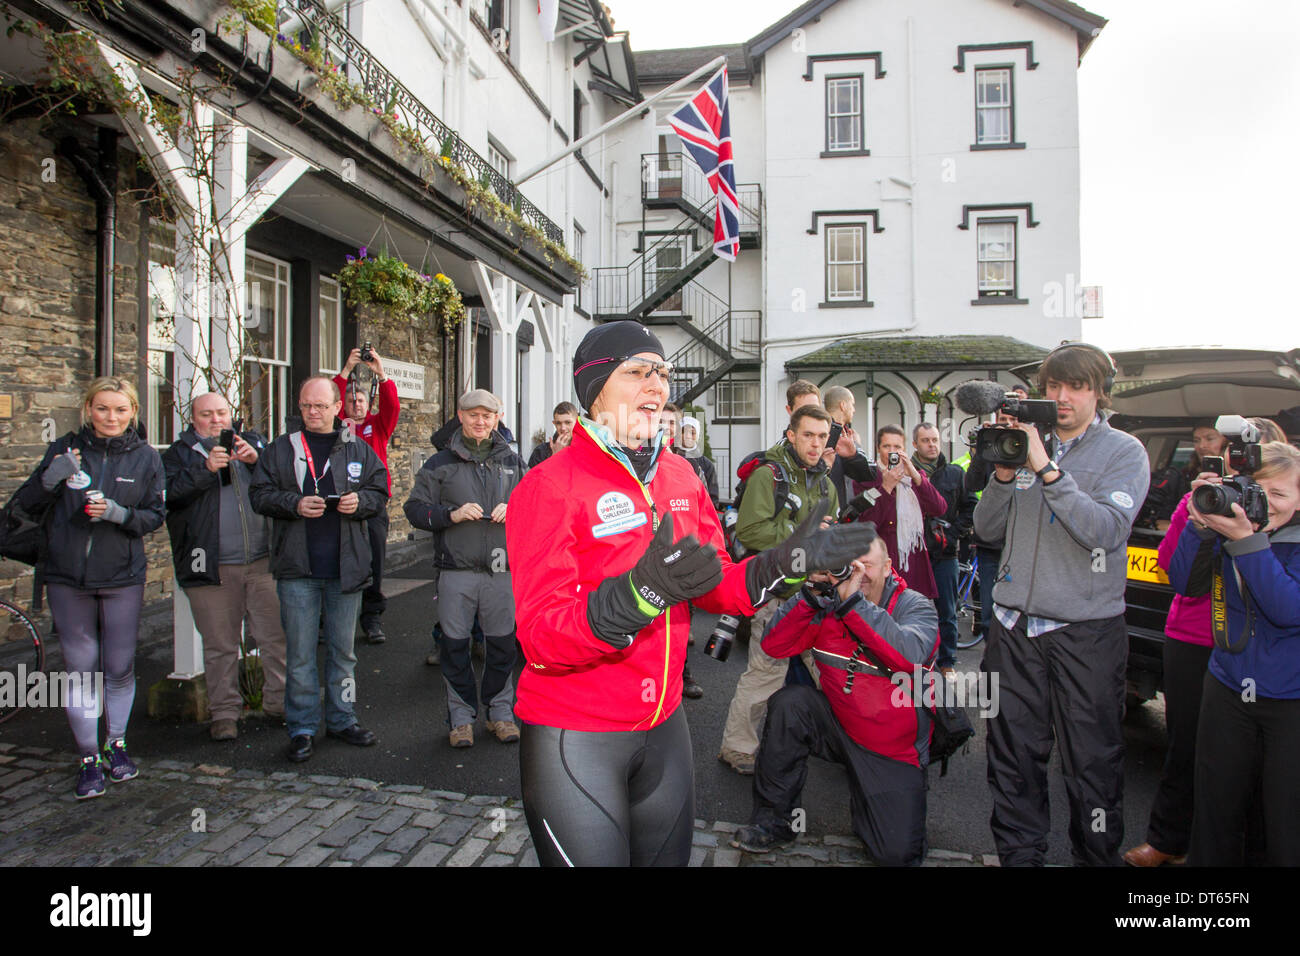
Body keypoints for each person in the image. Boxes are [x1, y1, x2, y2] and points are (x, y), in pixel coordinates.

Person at [505, 321, 873, 866]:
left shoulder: (679, 476)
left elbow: (716, 585)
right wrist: (639, 596)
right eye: (637, 372)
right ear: (595, 388)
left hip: (665, 723)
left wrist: (787, 563)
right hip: (575, 732)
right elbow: (540, 637)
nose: (657, 385)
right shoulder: (549, 485)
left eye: (663, 373)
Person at [973, 342, 1149, 866]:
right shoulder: (1022, 445)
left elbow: (1104, 532)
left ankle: (1094, 858)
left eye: (1076, 386)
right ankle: (1020, 857)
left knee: (1091, 762)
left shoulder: (1124, 451)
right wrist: (1005, 475)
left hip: (1083, 633)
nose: (1062, 396)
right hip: (1012, 627)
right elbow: (985, 529)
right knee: (1012, 758)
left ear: (1099, 391)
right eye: (1053, 386)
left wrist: (1047, 468)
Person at [731, 534, 939, 864]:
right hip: (839, 724)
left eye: (867, 565)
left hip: (891, 747)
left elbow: (911, 657)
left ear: (888, 567)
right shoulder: (826, 603)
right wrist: (810, 595)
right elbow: (774, 646)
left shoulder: (915, 605)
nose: (860, 573)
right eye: (852, 565)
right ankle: (775, 822)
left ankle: (880, 808)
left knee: (896, 854)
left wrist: (855, 605)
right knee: (790, 704)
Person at [14, 377, 164, 798]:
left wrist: (119, 513)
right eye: (102, 408)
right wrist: (49, 479)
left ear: (133, 411)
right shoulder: (64, 450)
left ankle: (116, 744)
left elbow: (154, 515)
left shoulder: (146, 457)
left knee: (118, 667)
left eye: (120, 409)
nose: (111, 417)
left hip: (121, 577)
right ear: (88, 409)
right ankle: (86, 757)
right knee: (80, 669)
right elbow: (25, 505)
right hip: (67, 576)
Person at [1168, 440, 1300, 865]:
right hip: (1226, 686)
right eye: (1256, 490)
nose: (1265, 503)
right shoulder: (1230, 527)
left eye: (1279, 494)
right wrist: (1200, 528)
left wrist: (1246, 541)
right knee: (1214, 813)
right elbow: (1186, 583)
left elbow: (1286, 611)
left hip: (1290, 699)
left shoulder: (1266, 538)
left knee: (1283, 821)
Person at [249, 375, 390, 763]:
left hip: (346, 569)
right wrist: (293, 504)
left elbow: (380, 492)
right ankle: (302, 727)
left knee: (344, 654)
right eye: (307, 406)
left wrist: (359, 502)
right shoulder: (280, 449)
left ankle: (343, 718)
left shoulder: (358, 449)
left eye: (321, 406)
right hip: (297, 568)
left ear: (336, 408)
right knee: (299, 654)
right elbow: (259, 495)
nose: (313, 413)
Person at [718, 403, 839, 775]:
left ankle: (850, 745)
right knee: (764, 674)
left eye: (822, 436)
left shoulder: (826, 483)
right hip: (775, 595)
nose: (816, 444)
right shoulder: (769, 476)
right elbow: (751, 531)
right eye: (808, 435)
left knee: (833, 675)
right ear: (791, 435)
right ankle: (738, 749)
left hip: (816, 597)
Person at [405, 389, 526, 748]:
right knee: (455, 647)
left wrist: (516, 510)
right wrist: (450, 515)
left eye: (487, 416)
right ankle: (460, 720)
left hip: (502, 573)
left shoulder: (515, 463)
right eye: (473, 414)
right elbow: (414, 510)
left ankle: (500, 714)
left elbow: (540, 508)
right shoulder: (440, 463)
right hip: (455, 571)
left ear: (496, 418)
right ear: (460, 416)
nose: (480, 421)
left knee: (503, 647)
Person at [161, 392, 285, 740]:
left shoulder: (255, 443)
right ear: (193, 419)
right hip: (210, 567)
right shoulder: (180, 454)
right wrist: (205, 470)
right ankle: (224, 714)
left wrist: (256, 461)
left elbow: (283, 484)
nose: (216, 420)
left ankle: (278, 704)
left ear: (232, 415)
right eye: (206, 415)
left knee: (276, 638)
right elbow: (168, 497)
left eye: (221, 413)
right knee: (220, 646)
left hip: (262, 562)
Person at [332, 347, 400, 644]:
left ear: (367, 402)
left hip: (372, 505)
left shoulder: (377, 426)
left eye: (360, 400)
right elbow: (326, 403)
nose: (356, 404)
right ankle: (328, 620)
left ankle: (371, 618)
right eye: (350, 400)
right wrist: (346, 370)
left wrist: (381, 373)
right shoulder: (335, 428)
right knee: (334, 560)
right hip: (339, 506)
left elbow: (392, 406)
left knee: (375, 562)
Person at [850, 425, 948, 599]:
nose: (892, 452)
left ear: (905, 449)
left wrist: (917, 478)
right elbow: (869, 522)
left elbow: (939, 508)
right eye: (887, 446)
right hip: (883, 560)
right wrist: (886, 487)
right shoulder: (868, 479)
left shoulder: (914, 478)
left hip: (913, 562)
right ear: (878, 448)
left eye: (897, 447)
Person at [912, 422, 976, 679]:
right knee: (913, 609)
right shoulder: (907, 472)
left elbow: (971, 507)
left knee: (947, 611)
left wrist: (951, 536)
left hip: (945, 554)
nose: (932, 445)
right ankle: (916, 661)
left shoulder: (955, 473)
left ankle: (947, 661)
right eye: (926, 440)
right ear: (915, 444)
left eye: (935, 439)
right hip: (915, 553)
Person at [963, 388, 1028, 640]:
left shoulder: (1035, 448)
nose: (1009, 427)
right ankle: (994, 666)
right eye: (1004, 421)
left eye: (1014, 421)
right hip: (991, 544)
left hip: (1023, 543)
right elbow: (972, 484)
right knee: (991, 614)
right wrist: (983, 448)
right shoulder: (993, 447)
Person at [821, 385, 878, 510]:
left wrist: (854, 455)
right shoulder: (820, 434)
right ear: (843, 405)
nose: (854, 410)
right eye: (852, 404)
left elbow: (870, 475)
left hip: (840, 511)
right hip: (824, 512)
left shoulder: (847, 435)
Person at [679, 414, 720, 512]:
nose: (687, 436)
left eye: (692, 432)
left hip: (699, 514)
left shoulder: (706, 464)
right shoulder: (670, 457)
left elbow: (712, 497)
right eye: (684, 431)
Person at [528, 401, 578, 468]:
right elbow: (534, 477)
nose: (563, 428)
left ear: (577, 422)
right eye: (558, 423)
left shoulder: (586, 449)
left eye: (568, 422)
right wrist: (555, 456)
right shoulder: (540, 452)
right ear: (554, 423)